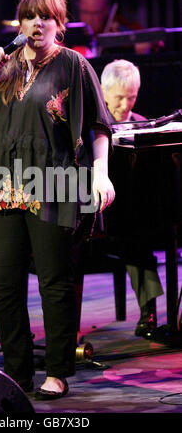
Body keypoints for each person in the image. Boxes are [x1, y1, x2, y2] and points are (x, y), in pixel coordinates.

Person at [0, 0, 115, 399]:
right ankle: (16, 371)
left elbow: (100, 127)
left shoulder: (74, 65)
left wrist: (100, 174)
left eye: (44, 17)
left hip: (54, 181)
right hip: (3, 182)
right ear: (21, 24)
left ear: (58, 24)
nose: (36, 24)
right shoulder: (6, 65)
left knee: (55, 280)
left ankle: (57, 371)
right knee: (3, 283)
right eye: (29, 17)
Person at [101, 59, 164, 338]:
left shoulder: (143, 125)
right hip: (99, 214)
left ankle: (149, 313)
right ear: (103, 92)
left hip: (133, 213)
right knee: (134, 239)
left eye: (132, 97)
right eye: (119, 98)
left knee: (140, 242)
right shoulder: (92, 124)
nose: (125, 105)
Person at [76, 0, 152, 56]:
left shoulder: (116, 26)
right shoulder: (72, 34)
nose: (90, 19)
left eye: (96, 13)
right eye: (85, 12)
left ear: (106, 10)